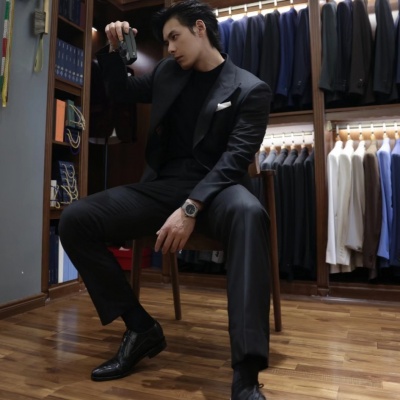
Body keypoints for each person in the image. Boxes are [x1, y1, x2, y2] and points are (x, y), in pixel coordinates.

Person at [59, 1, 272, 399]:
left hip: (219, 190)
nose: (170, 48)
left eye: (174, 37)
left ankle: (246, 374)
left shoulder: (249, 88)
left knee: (249, 213)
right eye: (165, 41)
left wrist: (191, 208)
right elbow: (121, 90)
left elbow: (234, 160)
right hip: (162, 187)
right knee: (75, 219)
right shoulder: (167, 72)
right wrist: (113, 47)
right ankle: (140, 327)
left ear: (200, 29)